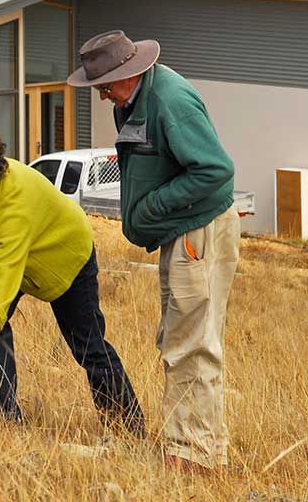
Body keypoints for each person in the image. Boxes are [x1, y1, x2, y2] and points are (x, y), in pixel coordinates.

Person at [67, 30, 240, 471]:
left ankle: (191, 454)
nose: (103, 97)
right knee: (182, 338)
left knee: (190, 344)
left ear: (129, 73)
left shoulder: (170, 102)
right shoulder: (133, 101)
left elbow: (216, 170)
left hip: (195, 234)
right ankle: (203, 449)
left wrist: (154, 206)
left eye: (104, 87)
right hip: (180, 234)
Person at [0, 127, 144, 435]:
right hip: (24, 251)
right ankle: (6, 415)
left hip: (65, 257)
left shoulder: (13, 199)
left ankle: (128, 428)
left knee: (88, 347)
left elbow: (9, 262)